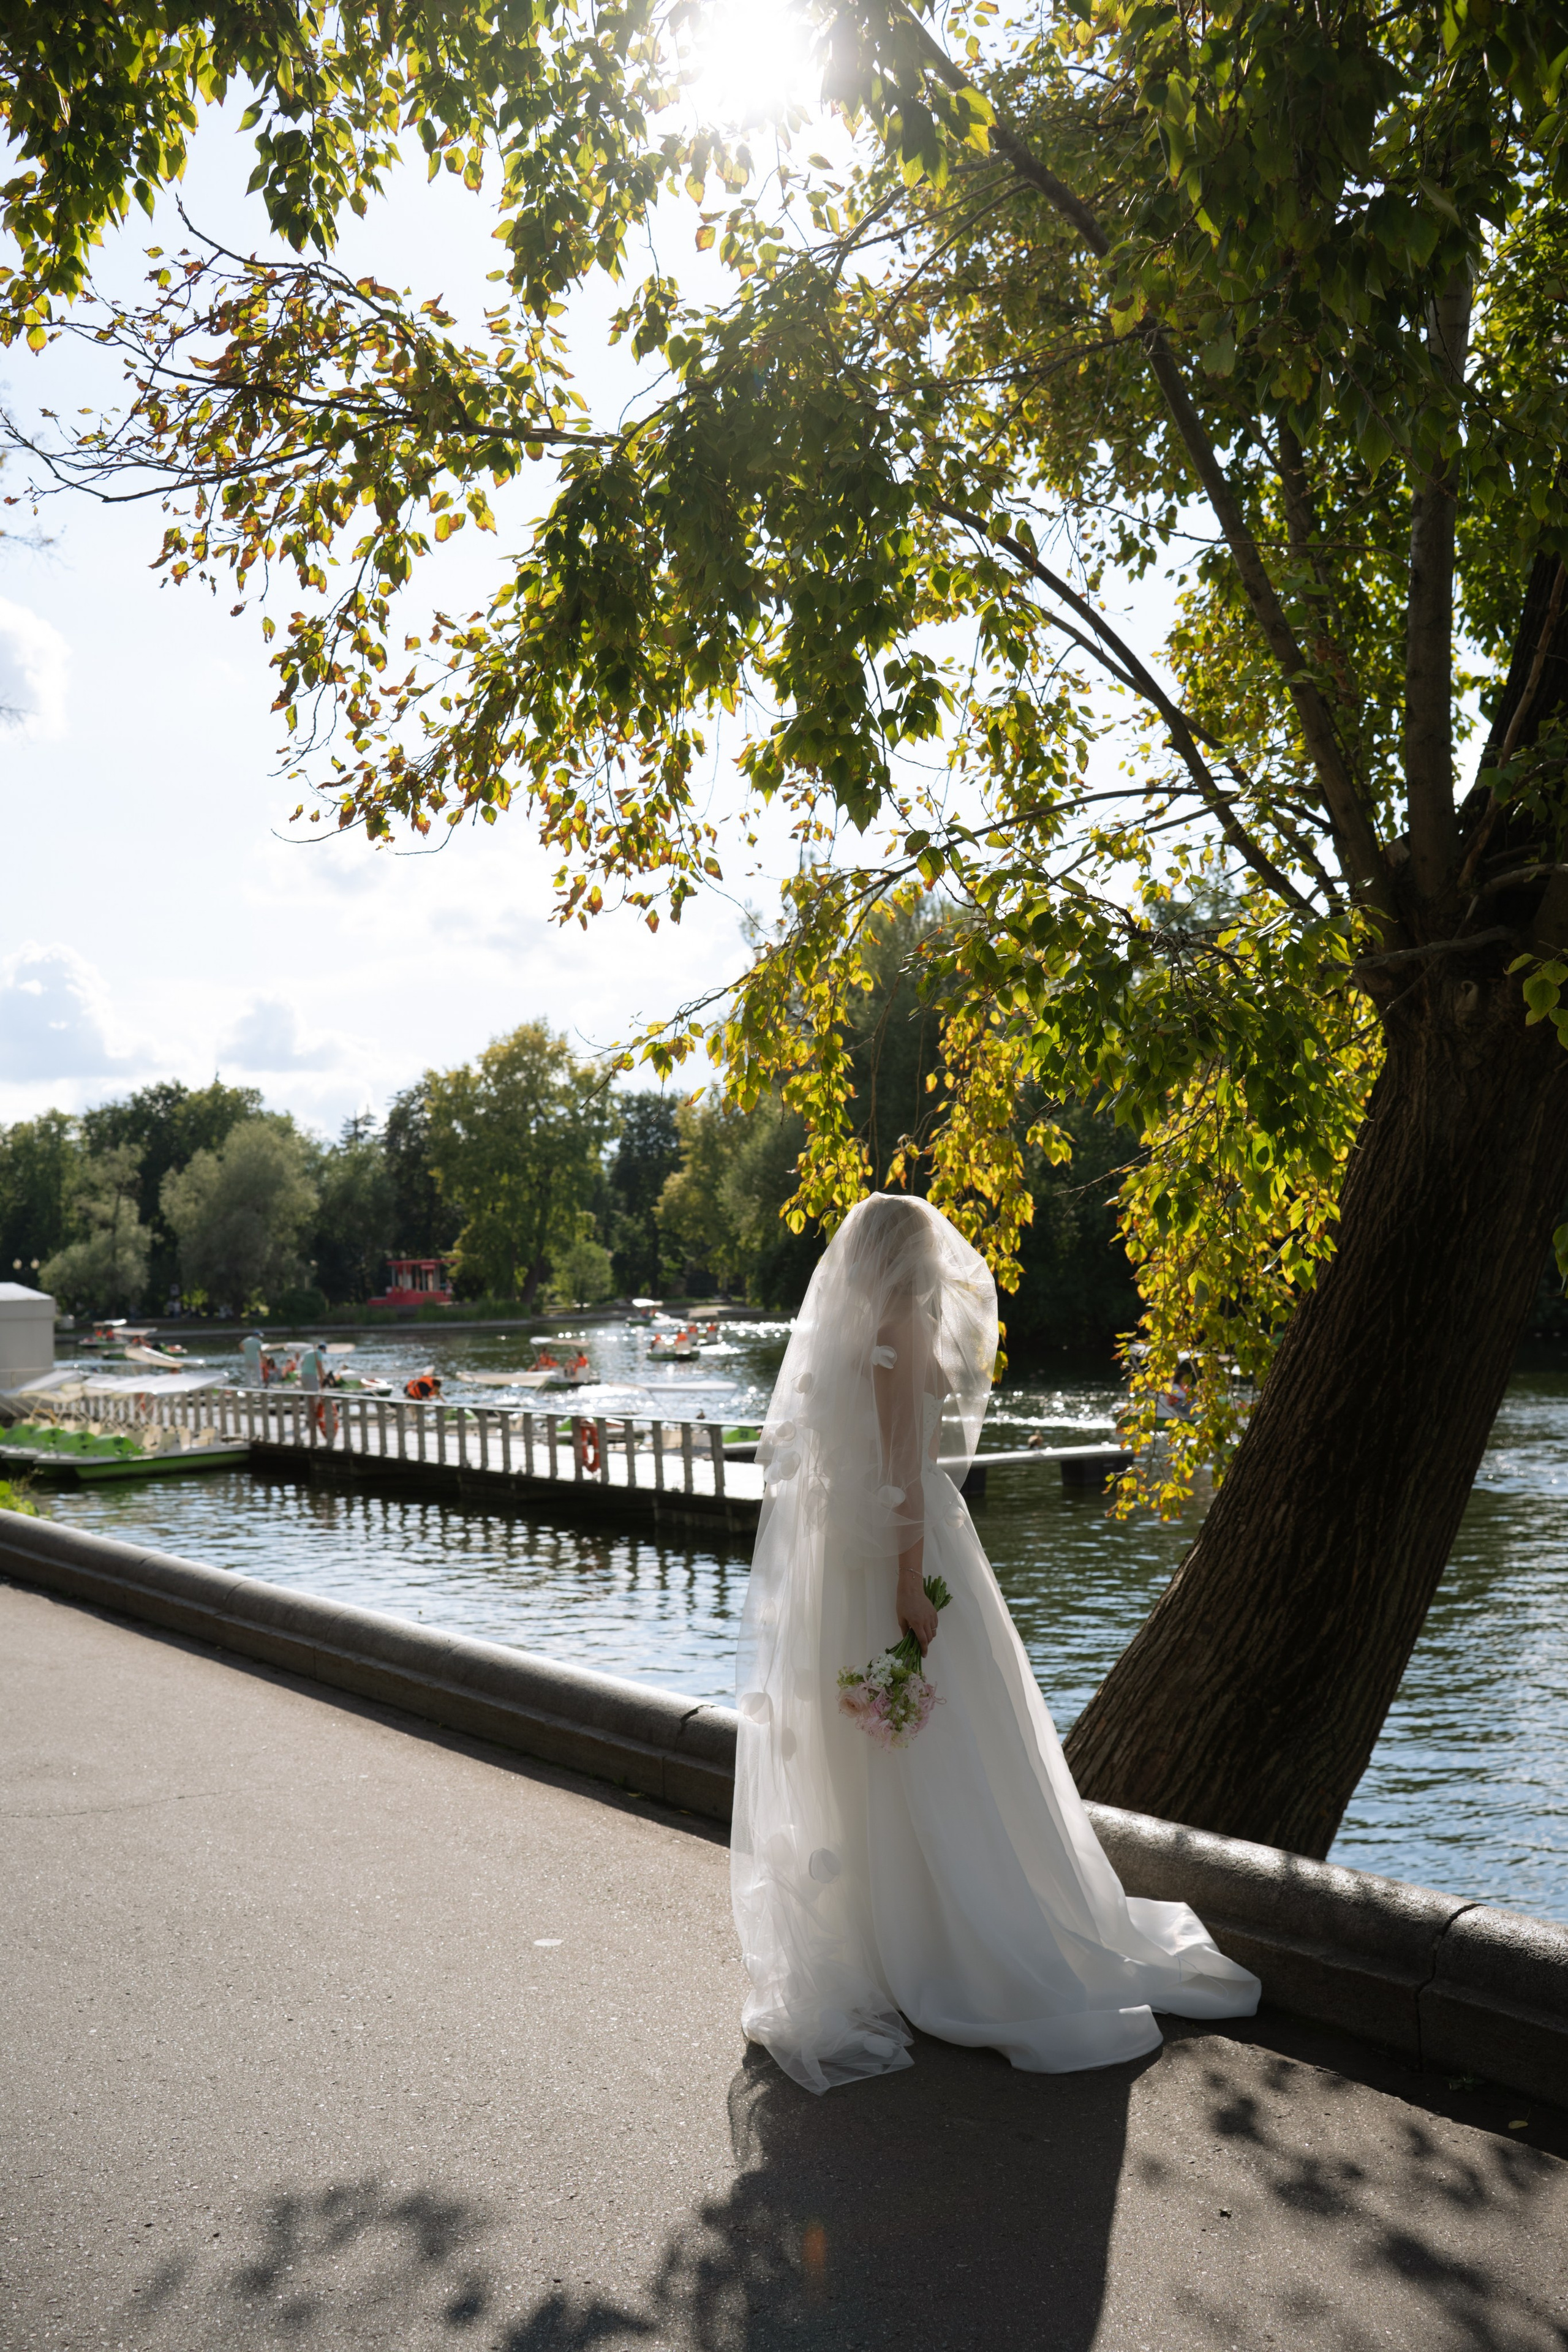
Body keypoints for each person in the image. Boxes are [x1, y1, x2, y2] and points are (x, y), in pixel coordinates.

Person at [731, 1192, 1259, 2095]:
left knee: (876, 1751)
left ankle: (879, 1940)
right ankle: (950, 1937)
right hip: (904, 1552)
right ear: (914, 1259)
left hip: (837, 1565)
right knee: (941, 1741)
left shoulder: (850, 1333)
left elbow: (831, 1463)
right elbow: (903, 1477)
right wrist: (908, 1587)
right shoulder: (898, 1329)